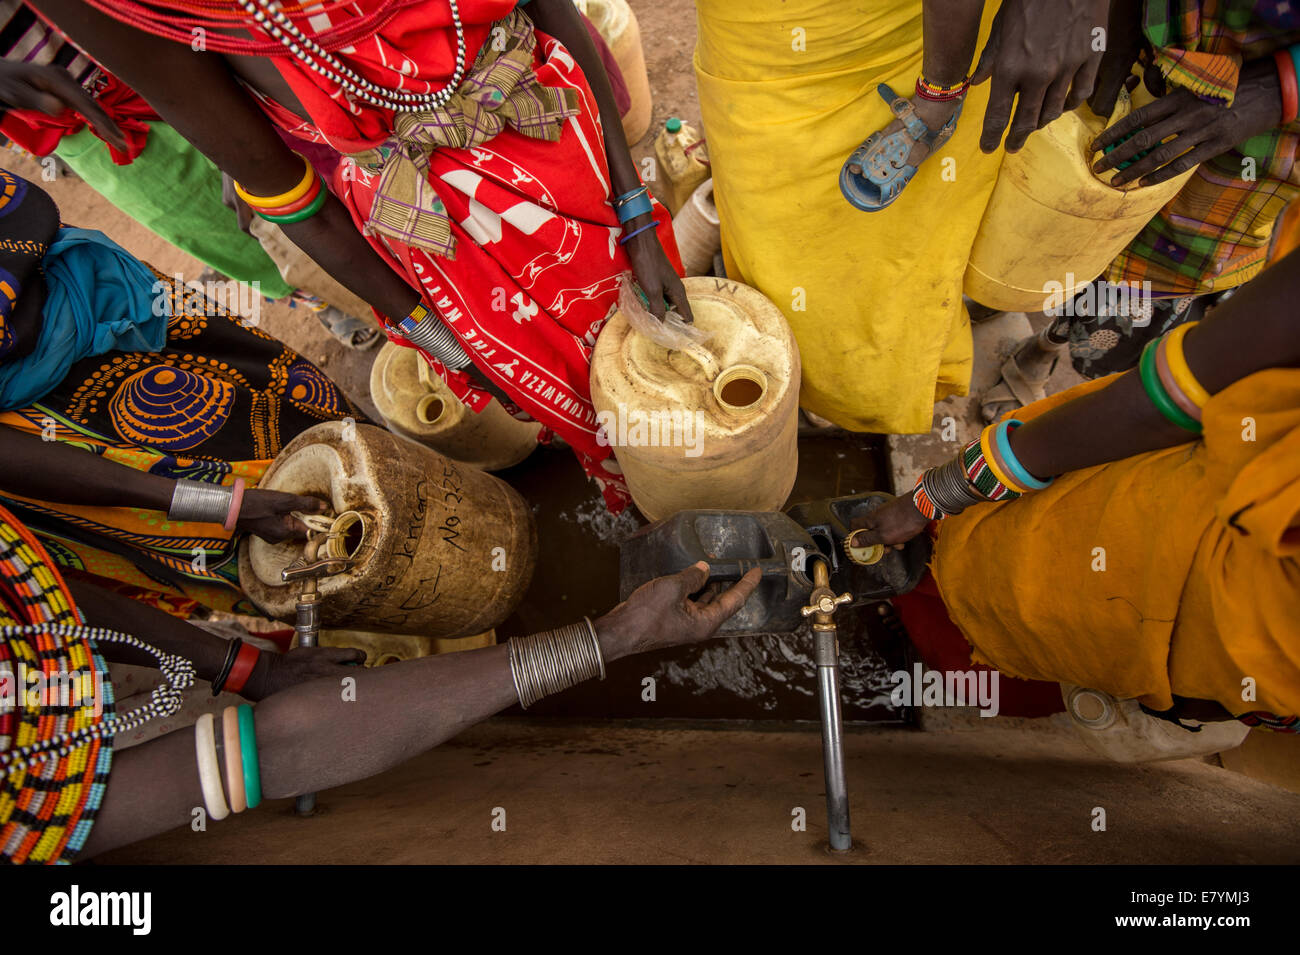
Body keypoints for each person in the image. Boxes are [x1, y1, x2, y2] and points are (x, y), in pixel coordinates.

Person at [36, 0, 690, 512]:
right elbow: (292, 200)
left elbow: (550, 8)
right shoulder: (146, 9)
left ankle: (692, 471)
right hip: (446, 240)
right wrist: (454, 345)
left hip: (560, 135)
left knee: (668, 347)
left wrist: (632, 203)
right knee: (584, 406)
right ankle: (653, 498)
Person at [0, 498, 761, 862]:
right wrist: (612, 637)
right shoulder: (24, 806)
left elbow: (56, 590)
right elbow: (279, 749)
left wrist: (245, 665)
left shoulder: (25, 599)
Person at [849, 244, 1300, 731]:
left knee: (981, 656)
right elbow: (1157, 406)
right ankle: (908, 605)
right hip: (1098, 554)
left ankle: (919, 623)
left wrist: (1188, 701)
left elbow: (1155, 407)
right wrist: (931, 499)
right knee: (945, 570)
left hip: (1132, 648)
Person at [693, 0, 1109, 437]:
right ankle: (825, 382)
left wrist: (938, 93)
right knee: (784, 233)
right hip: (753, 39)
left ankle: (861, 390)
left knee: (887, 250)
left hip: (906, 37)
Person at [0, 168, 356, 617]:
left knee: (308, 416)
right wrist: (223, 504)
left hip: (107, 290)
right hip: (63, 426)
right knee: (297, 536)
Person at [980, 0, 1300, 418]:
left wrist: (1281, 88)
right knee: (1056, 192)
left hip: (1262, 126)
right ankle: (1013, 287)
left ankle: (1047, 346)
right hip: (1162, 26)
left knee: (1149, 273)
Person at [0, 3, 382, 348]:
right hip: (80, 125)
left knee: (308, 171)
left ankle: (379, 262)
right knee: (213, 230)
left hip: (161, 37)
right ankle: (320, 295)